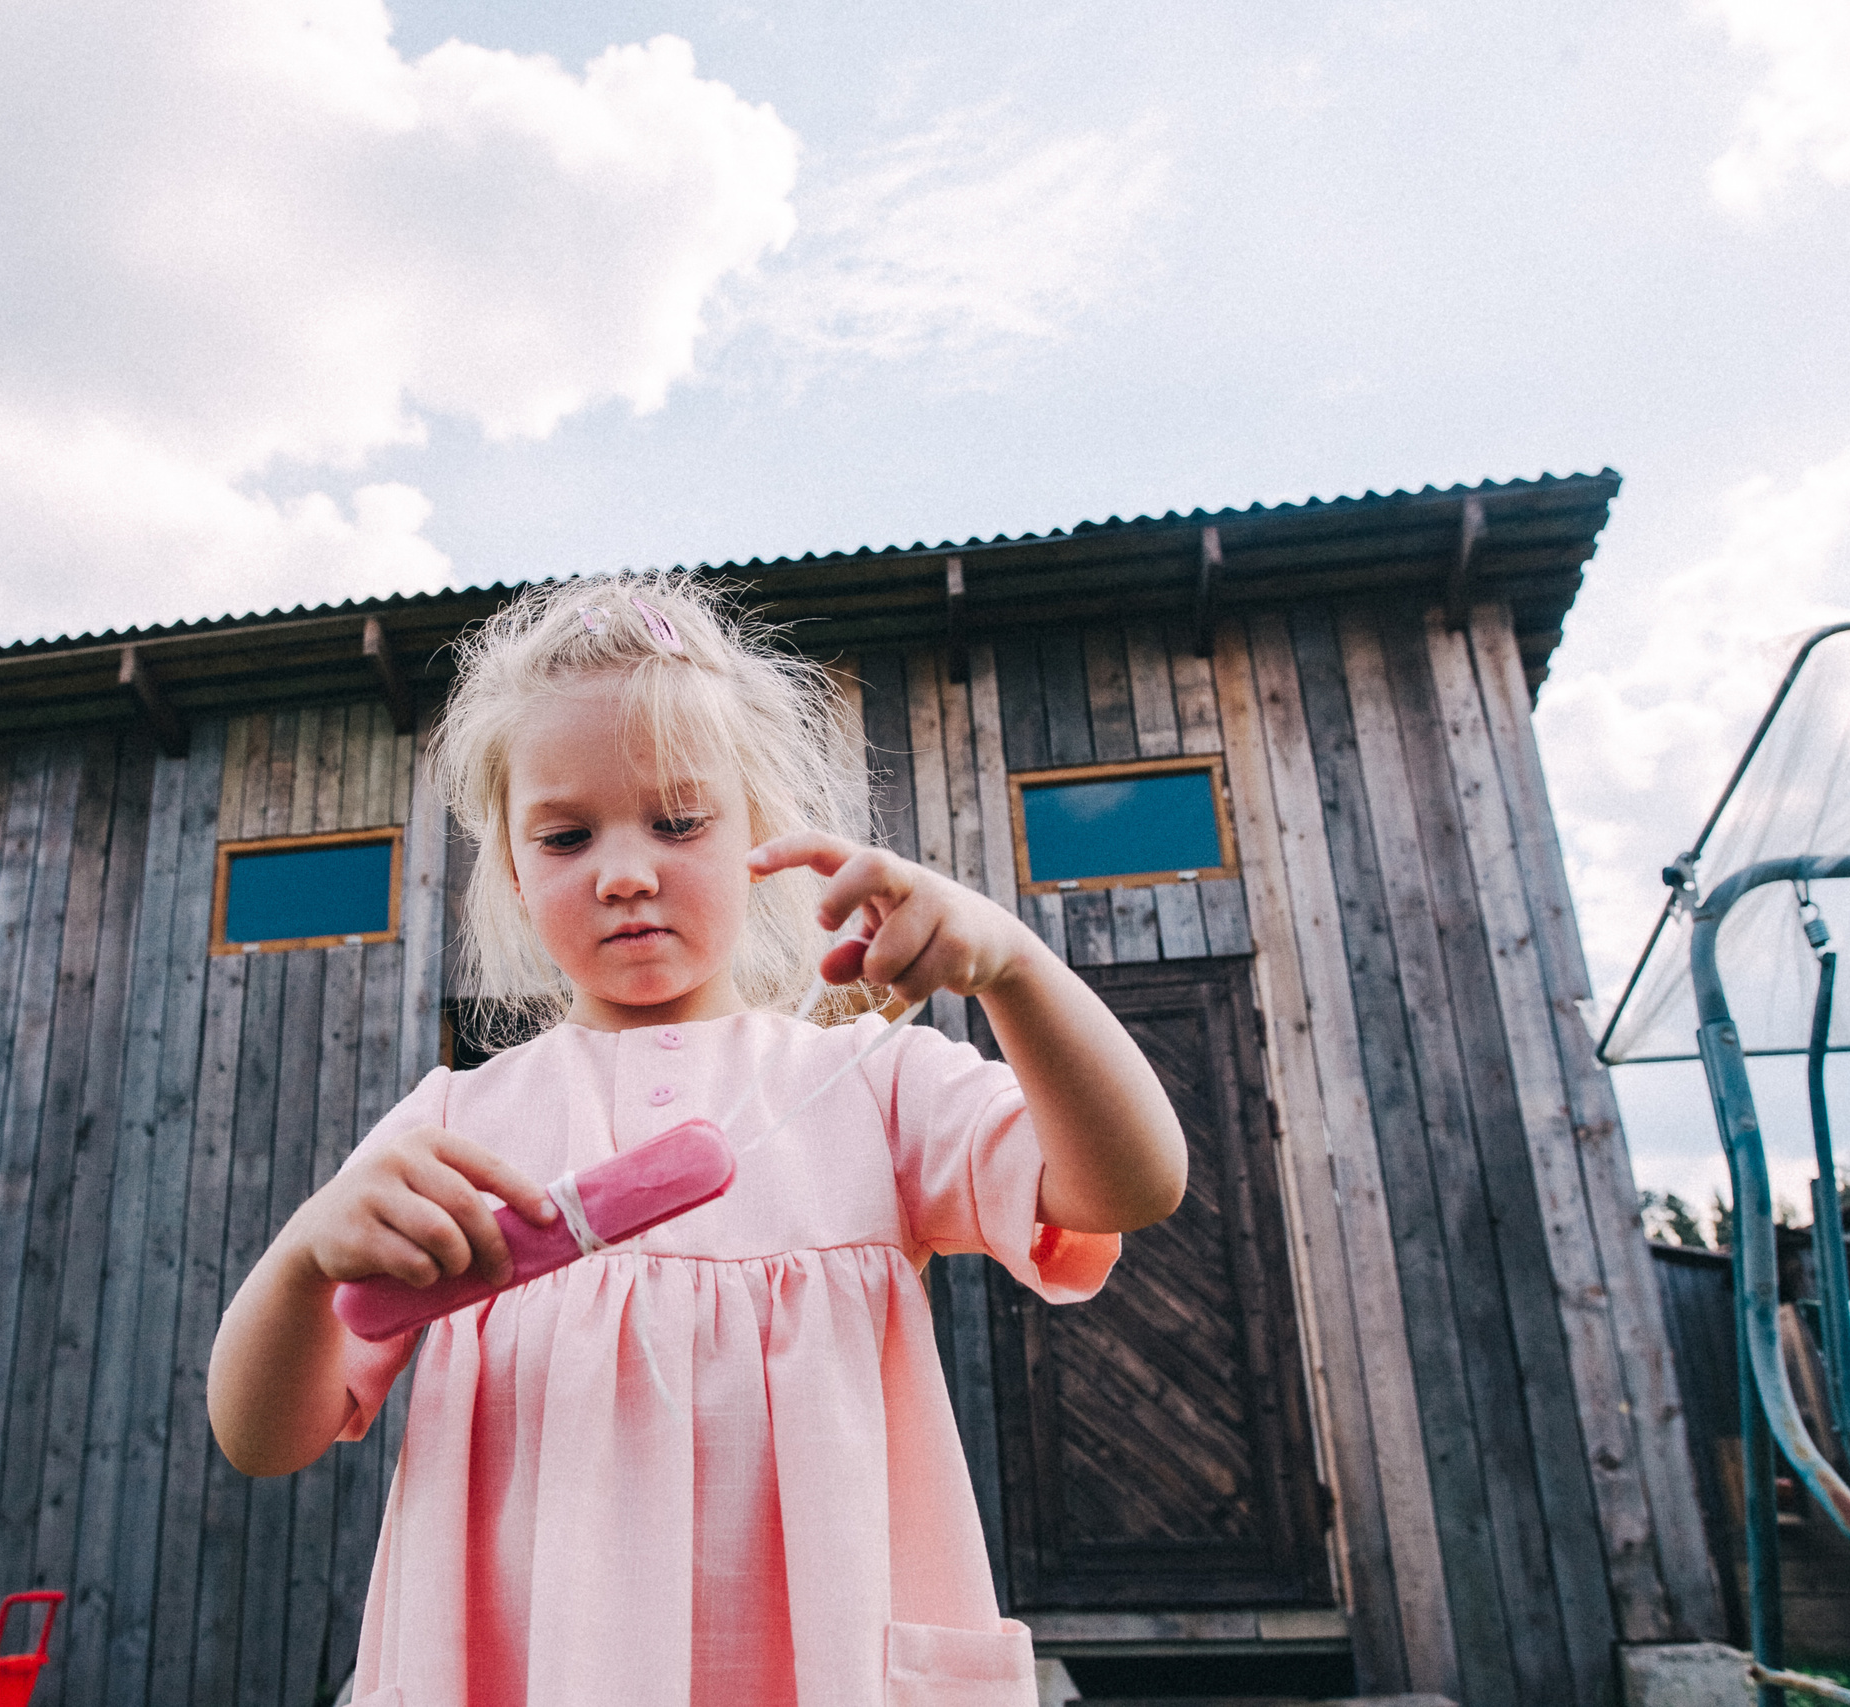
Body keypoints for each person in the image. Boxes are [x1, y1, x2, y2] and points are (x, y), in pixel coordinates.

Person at [208, 573, 1187, 1707]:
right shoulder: (453, 1132)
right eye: (567, 836)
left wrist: (1014, 966)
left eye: (678, 822)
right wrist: (296, 1265)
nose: (625, 872)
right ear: (517, 878)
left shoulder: (868, 1084)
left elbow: (1132, 1184)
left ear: (761, 837)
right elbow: (264, 1437)